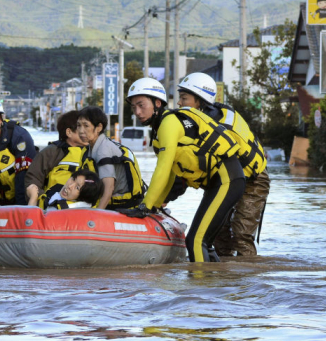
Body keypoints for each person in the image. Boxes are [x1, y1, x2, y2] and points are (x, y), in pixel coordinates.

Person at [123, 77, 245, 263]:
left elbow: (162, 169)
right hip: (221, 182)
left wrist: (145, 207)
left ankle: (199, 290)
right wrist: (156, 204)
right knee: (205, 243)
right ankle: (218, 284)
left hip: (227, 179)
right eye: (134, 108)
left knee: (195, 241)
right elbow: (172, 174)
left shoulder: (169, 123)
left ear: (157, 103)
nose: (138, 112)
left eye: (141, 105)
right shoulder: (160, 129)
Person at [177, 72, 270, 257]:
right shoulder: (202, 122)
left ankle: (247, 282)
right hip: (228, 180)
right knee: (218, 234)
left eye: (183, 98)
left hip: (254, 180)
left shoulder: (218, 128)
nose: (179, 103)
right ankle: (223, 281)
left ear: (199, 101)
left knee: (242, 234)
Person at [76, 106, 145, 210]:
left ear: (99, 127)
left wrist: (97, 214)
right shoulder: (90, 148)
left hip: (121, 206)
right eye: (78, 125)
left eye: (86, 126)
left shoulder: (103, 150)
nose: (81, 131)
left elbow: (109, 188)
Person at [25, 110, 88, 207]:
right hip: (51, 209)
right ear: (69, 132)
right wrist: (45, 201)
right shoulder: (51, 152)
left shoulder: (94, 152)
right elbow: (33, 179)